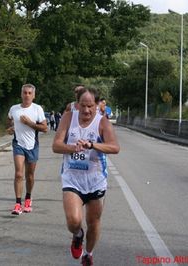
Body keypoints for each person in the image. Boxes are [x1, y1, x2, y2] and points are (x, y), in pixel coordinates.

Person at [52, 87, 120, 265]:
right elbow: (56, 145)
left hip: (95, 180)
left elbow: (114, 147)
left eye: (90, 106)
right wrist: (72, 147)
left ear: (97, 105)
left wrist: (92, 145)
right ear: (77, 104)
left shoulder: (103, 122)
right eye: (83, 105)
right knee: (74, 220)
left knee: (93, 221)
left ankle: (88, 253)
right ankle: (77, 234)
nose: (86, 110)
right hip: (72, 178)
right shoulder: (68, 117)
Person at [7, 84, 48, 215]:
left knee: (29, 176)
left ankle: (28, 198)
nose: (27, 95)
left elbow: (45, 128)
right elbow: (9, 120)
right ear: (21, 94)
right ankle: (18, 203)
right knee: (18, 174)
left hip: (32, 145)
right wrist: (10, 128)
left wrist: (29, 123)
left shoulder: (37, 109)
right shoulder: (14, 108)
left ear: (33, 95)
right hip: (18, 144)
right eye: (25, 93)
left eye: (30, 93)